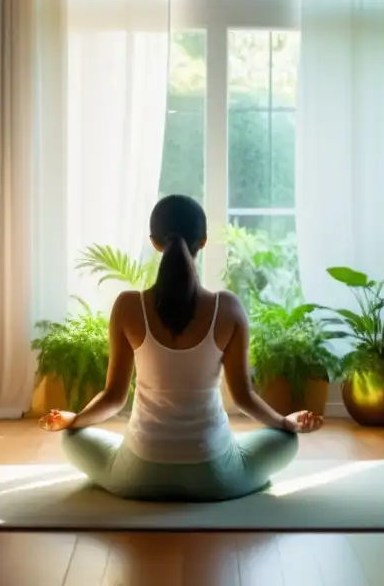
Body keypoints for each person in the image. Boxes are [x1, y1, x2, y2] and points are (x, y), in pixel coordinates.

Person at [38, 194, 324, 502]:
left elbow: (113, 397)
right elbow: (244, 397)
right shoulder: (227, 308)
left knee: (71, 438)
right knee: (287, 441)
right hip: (214, 477)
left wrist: (74, 419)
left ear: (155, 242)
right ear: (202, 241)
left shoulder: (128, 306)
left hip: (139, 476)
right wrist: (284, 422)